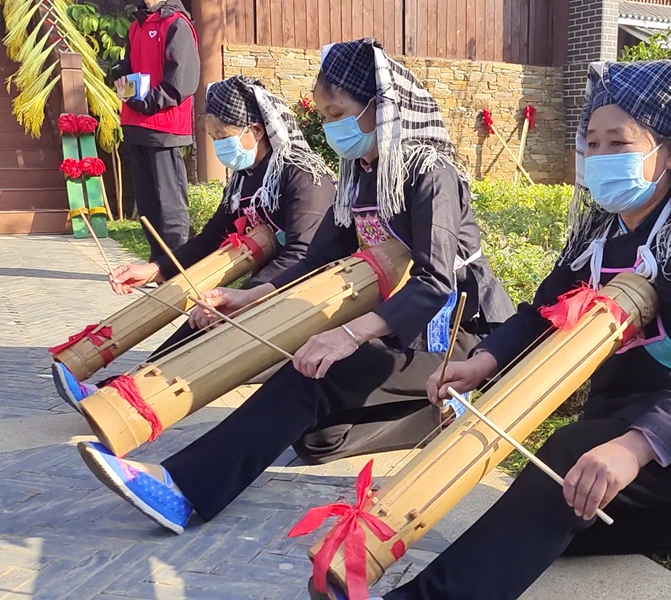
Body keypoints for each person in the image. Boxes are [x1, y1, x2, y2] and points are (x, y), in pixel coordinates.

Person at [363, 58, 671, 600]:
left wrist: (634, 448)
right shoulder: (599, 238)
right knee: (548, 516)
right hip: (629, 413)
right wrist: (481, 363)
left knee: (566, 462)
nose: (603, 157)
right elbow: (542, 312)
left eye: (621, 142)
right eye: (594, 142)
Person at [76, 38, 515, 535]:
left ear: (382, 107)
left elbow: (435, 284)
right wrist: (250, 296)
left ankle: (183, 487)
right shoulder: (360, 175)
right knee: (318, 439)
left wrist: (348, 335)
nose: (331, 128)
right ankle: (439, 413)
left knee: (314, 373)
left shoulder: (428, 174)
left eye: (340, 113)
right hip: (400, 330)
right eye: (324, 116)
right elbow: (321, 255)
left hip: (460, 335)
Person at [52, 76, 337, 412]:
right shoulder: (245, 177)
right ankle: (119, 391)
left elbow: (302, 255)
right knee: (201, 316)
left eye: (223, 137)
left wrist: (242, 298)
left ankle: (128, 399)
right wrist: (155, 269)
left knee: (211, 324)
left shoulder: (302, 175)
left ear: (256, 131)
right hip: (267, 287)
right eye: (214, 137)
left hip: (307, 293)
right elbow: (210, 238)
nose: (218, 145)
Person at [110, 0, 199, 261]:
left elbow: (182, 81)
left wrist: (146, 102)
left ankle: (175, 264)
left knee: (169, 205)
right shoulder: (137, 25)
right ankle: (157, 262)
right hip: (135, 124)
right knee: (148, 205)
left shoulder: (177, 24)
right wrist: (121, 78)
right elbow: (130, 67)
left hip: (165, 128)